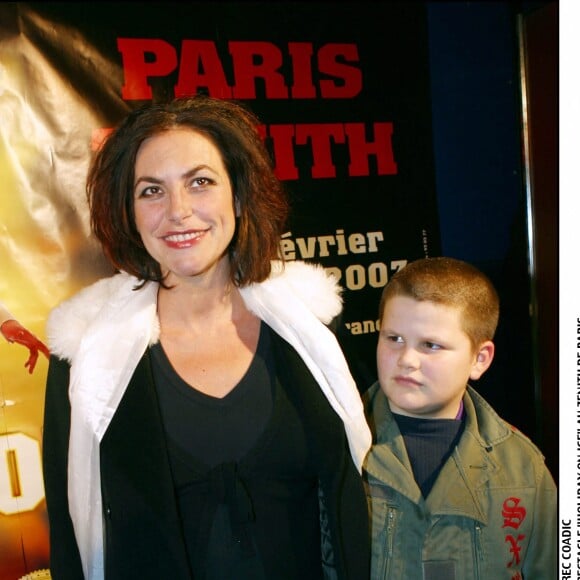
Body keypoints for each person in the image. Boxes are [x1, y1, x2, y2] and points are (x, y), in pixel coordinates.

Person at [41, 94, 372, 580]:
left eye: (200, 182)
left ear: (237, 195)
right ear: (128, 211)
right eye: (151, 191)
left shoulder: (310, 327)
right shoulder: (86, 356)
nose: (178, 211)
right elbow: (72, 541)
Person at [363, 257, 556, 579]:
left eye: (431, 345)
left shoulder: (523, 470)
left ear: (479, 359)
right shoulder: (339, 446)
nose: (407, 359)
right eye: (393, 338)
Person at [0, 301, 49, 374]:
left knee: (43, 348)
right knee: (43, 348)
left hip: (9, 329)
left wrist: (32, 349)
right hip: (10, 328)